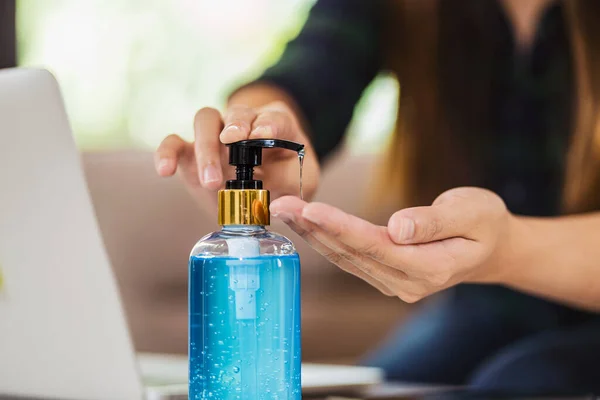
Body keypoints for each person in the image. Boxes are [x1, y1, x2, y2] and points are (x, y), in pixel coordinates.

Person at [156, 0, 600, 393]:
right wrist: (256, 123)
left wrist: (506, 249)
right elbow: (311, 68)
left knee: (524, 379)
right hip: (487, 307)